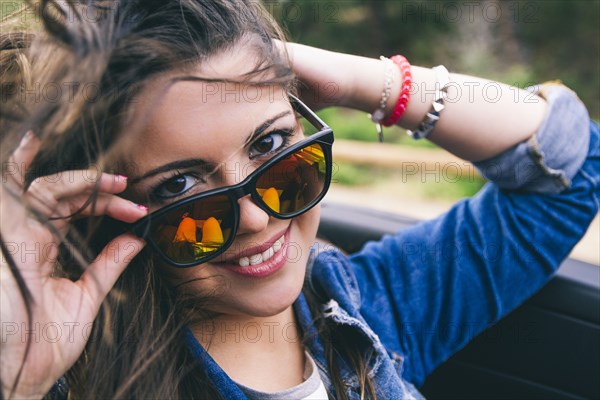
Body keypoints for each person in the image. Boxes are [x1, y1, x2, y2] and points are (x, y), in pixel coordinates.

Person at [0, 1, 597, 399]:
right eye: (180, 186)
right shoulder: (80, 378)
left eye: (272, 144)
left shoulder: (367, 309)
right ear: (106, 210)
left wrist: (369, 83)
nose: (257, 218)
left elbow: (570, 169)